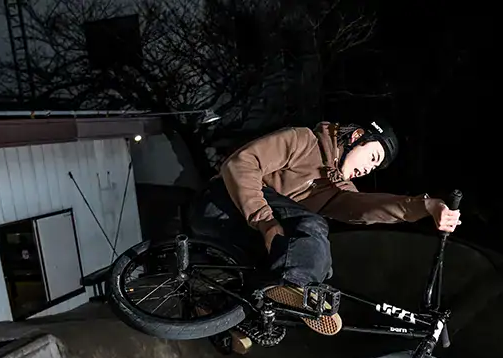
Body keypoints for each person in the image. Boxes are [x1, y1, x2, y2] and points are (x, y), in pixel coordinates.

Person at [189, 120, 462, 335]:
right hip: (221, 204)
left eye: (375, 167)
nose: (369, 169)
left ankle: (222, 312)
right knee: (311, 226)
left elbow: (366, 208)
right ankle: (295, 287)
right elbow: (242, 163)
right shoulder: (303, 141)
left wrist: (425, 207)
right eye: (372, 157)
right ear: (357, 138)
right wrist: (266, 222)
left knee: (317, 262)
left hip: (243, 236)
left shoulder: (337, 190)